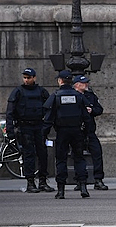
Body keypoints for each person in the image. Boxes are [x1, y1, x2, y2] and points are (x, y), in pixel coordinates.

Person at [42, 70, 92, 199]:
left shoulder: (56, 96)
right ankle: (83, 187)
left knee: (61, 160)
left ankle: (61, 190)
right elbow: (86, 117)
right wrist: (87, 133)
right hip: (77, 131)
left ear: (60, 81)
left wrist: (43, 135)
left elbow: (48, 118)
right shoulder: (78, 96)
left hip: (62, 132)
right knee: (79, 158)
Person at [5, 68, 55, 193]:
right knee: (28, 154)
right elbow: (10, 112)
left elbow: (50, 108)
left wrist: (47, 125)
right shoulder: (18, 92)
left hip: (39, 126)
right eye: (25, 78)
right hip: (24, 126)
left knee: (42, 154)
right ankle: (30, 182)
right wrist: (10, 130)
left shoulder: (41, 91)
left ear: (34, 78)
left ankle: (43, 181)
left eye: (29, 78)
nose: (26, 80)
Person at [73, 75, 108, 190]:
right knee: (77, 156)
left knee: (97, 153)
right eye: (83, 83)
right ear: (77, 84)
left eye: (86, 82)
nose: (86, 84)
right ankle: (80, 181)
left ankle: (98, 180)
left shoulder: (90, 96)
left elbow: (99, 109)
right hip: (77, 131)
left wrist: (91, 110)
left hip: (89, 131)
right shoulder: (72, 95)